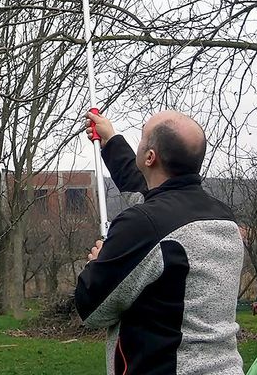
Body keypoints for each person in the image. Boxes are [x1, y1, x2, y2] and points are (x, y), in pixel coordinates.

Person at [74, 110, 244, 375]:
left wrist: (97, 264)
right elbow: (152, 195)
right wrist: (112, 140)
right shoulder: (224, 218)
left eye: (142, 138)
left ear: (150, 157)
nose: (139, 144)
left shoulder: (143, 224)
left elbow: (93, 310)